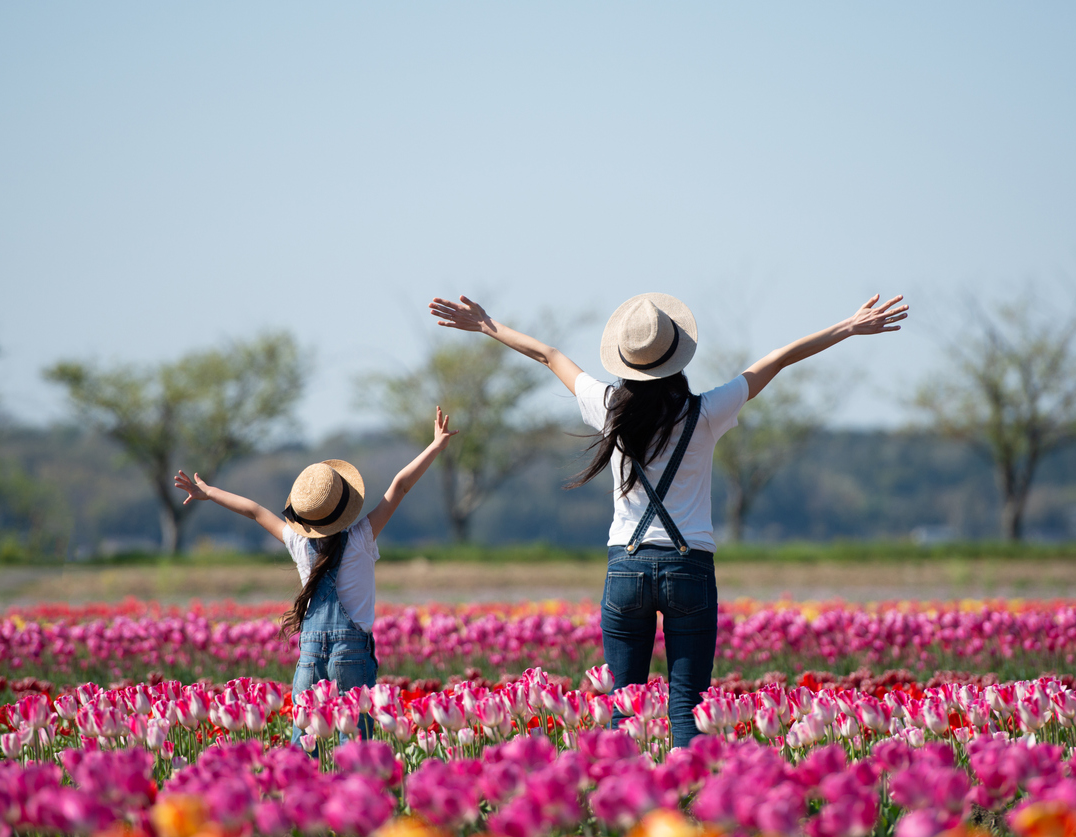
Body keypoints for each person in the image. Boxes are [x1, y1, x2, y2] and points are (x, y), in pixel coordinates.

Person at [428, 291, 907, 746]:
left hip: (626, 568)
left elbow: (549, 354)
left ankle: (624, 801)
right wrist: (848, 326)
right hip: (689, 568)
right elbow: (777, 358)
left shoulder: (608, 407)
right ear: (678, 357)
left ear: (624, 360)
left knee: (623, 706)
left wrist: (486, 326)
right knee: (687, 705)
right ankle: (689, 807)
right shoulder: (706, 411)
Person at [173, 406, 458, 741]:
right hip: (351, 653)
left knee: (305, 740)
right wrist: (436, 446)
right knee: (353, 743)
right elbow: (400, 485)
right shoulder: (363, 536)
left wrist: (208, 493)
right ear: (346, 506)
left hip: (309, 653)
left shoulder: (296, 541)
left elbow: (253, 511)